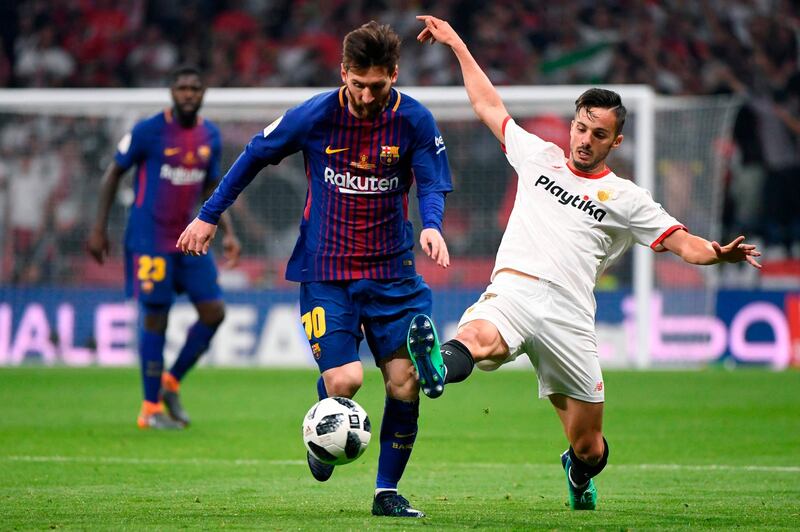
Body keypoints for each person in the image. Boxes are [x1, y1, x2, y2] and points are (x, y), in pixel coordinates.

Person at [407, 15, 762, 512]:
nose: (584, 139)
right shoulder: (539, 157)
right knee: (480, 342)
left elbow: (682, 243)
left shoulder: (625, 197)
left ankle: (576, 472)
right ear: (571, 122)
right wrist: (457, 43)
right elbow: (488, 104)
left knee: (589, 448)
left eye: (598, 134)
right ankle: (439, 365)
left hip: (571, 316)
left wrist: (717, 253)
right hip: (514, 288)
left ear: (615, 141)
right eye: (580, 127)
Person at [177, 22, 452, 518]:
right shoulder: (315, 115)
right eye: (358, 84)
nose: (367, 96)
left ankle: (385, 492)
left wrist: (432, 225)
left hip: (393, 272)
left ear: (394, 74)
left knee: (404, 382)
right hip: (326, 270)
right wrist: (208, 215)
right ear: (342, 72)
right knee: (345, 381)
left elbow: (432, 183)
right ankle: (321, 424)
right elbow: (253, 156)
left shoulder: (414, 120)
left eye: (379, 85)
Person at [87, 65, 241, 430]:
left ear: (203, 93)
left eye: (195, 88)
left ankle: (170, 382)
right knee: (157, 315)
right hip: (149, 240)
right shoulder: (148, 130)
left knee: (214, 312)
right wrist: (98, 229)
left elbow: (211, 186)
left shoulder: (210, 136)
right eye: (182, 87)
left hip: (188, 239)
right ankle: (149, 408)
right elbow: (113, 174)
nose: (189, 93)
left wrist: (228, 230)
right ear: (172, 91)